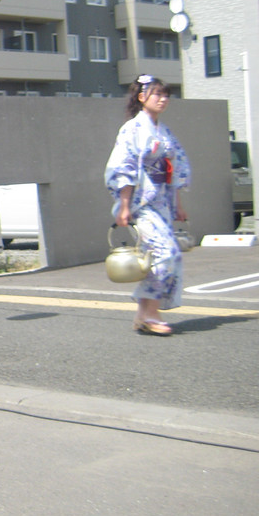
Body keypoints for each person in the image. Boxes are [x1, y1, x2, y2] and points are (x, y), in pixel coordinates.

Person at [104, 74, 191, 336]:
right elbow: (125, 166)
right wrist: (125, 205)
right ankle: (151, 315)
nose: (163, 99)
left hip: (162, 201)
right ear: (142, 97)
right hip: (141, 203)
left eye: (165, 95)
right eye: (157, 94)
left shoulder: (163, 131)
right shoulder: (132, 129)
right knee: (166, 253)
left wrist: (177, 203)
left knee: (160, 256)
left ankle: (143, 315)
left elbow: (174, 168)